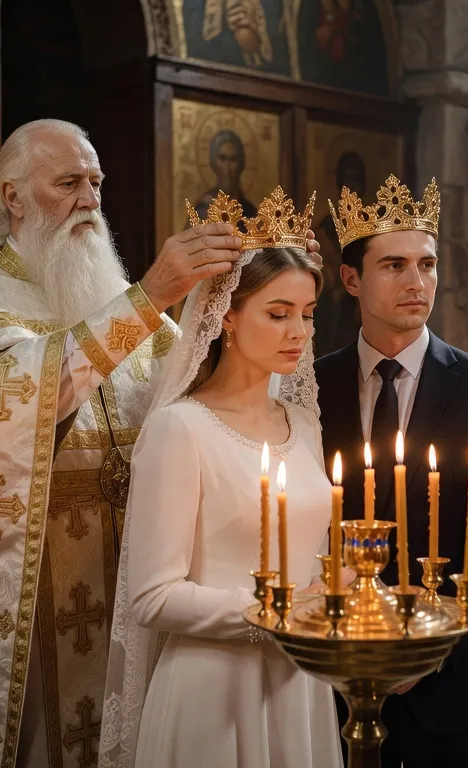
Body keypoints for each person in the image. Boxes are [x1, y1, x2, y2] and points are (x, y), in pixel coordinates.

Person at [0, 120, 318, 768]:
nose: (89, 200)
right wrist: (151, 295)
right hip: (25, 585)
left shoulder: (101, 283)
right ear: (12, 196)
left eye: (96, 182)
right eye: (69, 183)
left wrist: (266, 282)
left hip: (125, 573)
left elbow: (209, 384)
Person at [101, 189, 341, 767]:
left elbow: (315, 563)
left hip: (301, 684)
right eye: (278, 313)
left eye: (307, 314)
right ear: (227, 315)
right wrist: (276, 613)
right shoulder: (180, 429)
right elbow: (152, 597)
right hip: (212, 690)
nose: (299, 332)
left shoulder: (304, 424)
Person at [316, 175, 468, 767]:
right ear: (351, 279)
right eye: (394, 265)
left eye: (428, 264)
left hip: (452, 684)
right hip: (331, 680)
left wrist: (432, 642)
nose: (417, 282)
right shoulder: (310, 385)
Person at [314, 151, 366, 352]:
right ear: (338, 182)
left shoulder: (370, 231)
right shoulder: (324, 229)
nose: (352, 187)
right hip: (331, 320)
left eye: (357, 180)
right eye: (347, 180)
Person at [194, 130, 259, 221]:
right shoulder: (203, 209)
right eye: (222, 159)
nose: (227, 167)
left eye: (232, 159)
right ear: (213, 163)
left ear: (241, 164)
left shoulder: (250, 213)